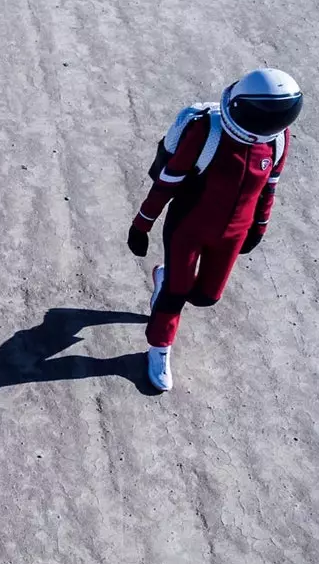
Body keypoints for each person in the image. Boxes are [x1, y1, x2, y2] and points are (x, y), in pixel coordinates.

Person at [127, 68, 303, 392]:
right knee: (175, 296)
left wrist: (259, 226)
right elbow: (167, 183)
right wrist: (142, 224)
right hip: (188, 228)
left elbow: (270, 186)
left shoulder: (278, 138)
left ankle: (162, 279)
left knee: (206, 297)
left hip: (233, 234)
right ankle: (159, 348)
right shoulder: (206, 131)